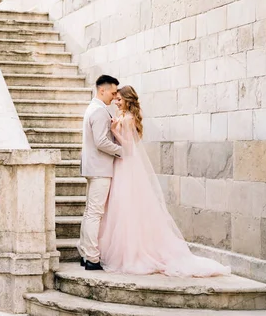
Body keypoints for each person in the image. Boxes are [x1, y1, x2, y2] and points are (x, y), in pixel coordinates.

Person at [98, 85, 231, 277]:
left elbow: (128, 147)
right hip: (124, 163)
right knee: (123, 204)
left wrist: (114, 130)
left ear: (128, 100)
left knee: (126, 204)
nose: (117, 102)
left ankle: (132, 252)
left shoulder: (127, 118)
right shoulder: (126, 116)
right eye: (116, 99)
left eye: (120, 99)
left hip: (126, 162)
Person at [77, 75, 123, 271]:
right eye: (113, 93)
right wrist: (124, 152)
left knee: (90, 212)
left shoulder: (94, 108)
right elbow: (101, 142)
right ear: (102, 90)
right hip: (100, 169)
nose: (114, 97)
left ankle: (85, 252)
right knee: (95, 213)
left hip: (93, 167)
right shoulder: (99, 112)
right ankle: (92, 258)